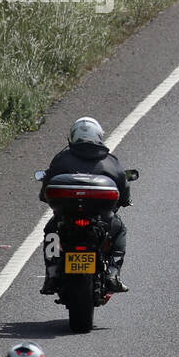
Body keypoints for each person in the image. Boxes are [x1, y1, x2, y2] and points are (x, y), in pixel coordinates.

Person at [39, 116, 131, 294]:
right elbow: (123, 186)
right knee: (119, 229)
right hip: (100, 216)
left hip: (67, 215)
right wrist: (125, 200)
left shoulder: (61, 158)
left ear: (73, 136)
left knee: (51, 231)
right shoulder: (110, 161)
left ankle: (51, 274)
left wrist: (44, 196)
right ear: (98, 136)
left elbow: (46, 184)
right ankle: (113, 272)